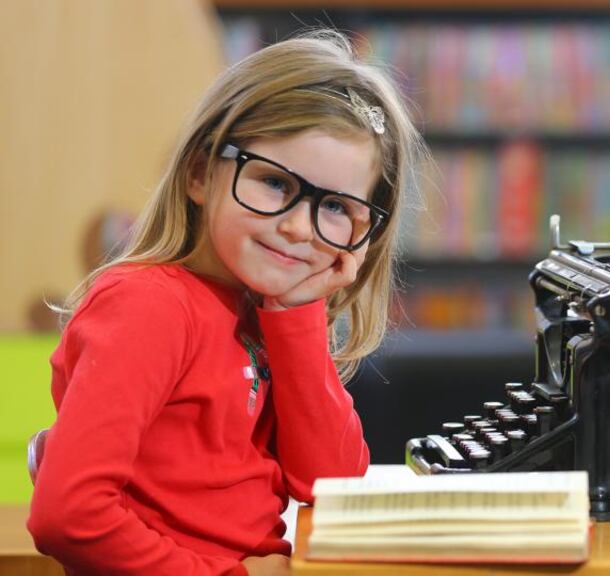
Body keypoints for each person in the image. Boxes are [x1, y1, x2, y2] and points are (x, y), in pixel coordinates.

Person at [28, 29, 426, 576]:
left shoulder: (260, 308)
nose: (296, 228)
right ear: (199, 172)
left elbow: (332, 484)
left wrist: (293, 312)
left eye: (335, 207)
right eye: (274, 184)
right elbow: (69, 516)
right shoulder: (148, 306)